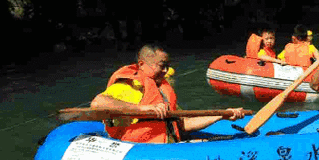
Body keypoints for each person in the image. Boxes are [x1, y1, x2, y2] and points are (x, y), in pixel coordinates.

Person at [91, 45, 245, 143]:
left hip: (169, 146)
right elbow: (97, 103)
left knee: (224, 141)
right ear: (142, 65)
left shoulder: (162, 89)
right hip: (141, 151)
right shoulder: (129, 86)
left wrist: (221, 115)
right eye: (161, 66)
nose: (166, 71)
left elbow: (182, 124)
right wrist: (144, 109)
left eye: (167, 66)